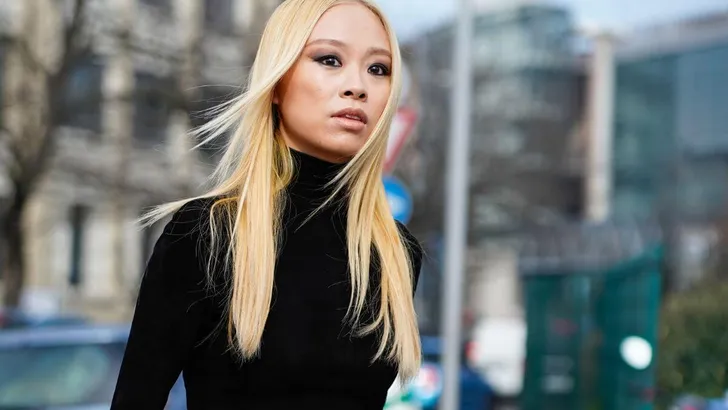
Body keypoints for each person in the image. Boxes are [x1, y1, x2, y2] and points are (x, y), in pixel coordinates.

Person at [110, 0, 423, 409]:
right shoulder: (208, 233)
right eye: (329, 60)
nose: (357, 85)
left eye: (378, 68)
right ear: (277, 81)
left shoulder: (395, 252)